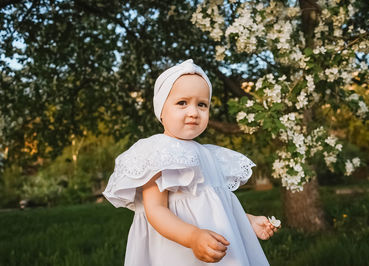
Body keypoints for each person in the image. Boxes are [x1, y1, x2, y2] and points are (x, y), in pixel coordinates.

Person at [103, 59, 280, 266]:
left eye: (202, 104)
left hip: (219, 250)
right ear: (161, 109)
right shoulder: (158, 152)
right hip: (178, 251)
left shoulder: (211, 155)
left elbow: (218, 204)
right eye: (182, 103)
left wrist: (248, 221)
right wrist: (192, 237)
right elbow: (156, 210)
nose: (194, 112)